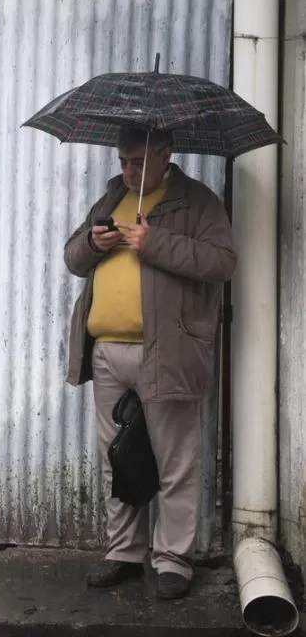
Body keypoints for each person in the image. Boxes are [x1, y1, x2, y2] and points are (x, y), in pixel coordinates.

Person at [63, 126, 236, 600]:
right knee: (116, 458)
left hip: (169, 351)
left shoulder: (197, 203)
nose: (129, 171)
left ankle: (173, 561)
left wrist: (153, 242)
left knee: (175, 461)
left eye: (138, 161)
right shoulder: (112, 197)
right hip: (107, 353)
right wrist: (94, 244)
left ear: (166, 156)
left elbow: (222, 263)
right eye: (123, 161)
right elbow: (73, 257)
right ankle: (123, 553)